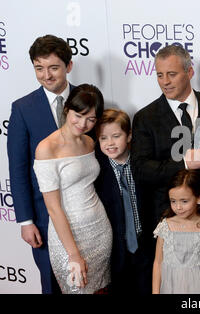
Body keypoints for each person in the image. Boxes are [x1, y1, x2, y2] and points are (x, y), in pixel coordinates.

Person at [130, 45, 200, 251]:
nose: (165, 82)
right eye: (159, 75)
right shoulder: (145, 117)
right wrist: (185, 162)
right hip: (171, 222)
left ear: (189, 72)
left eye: (171, 74)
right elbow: (141, 169)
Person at [7, 34, 74, 294]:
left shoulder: (88, 99)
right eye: (39, 68)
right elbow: (18, 168)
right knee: (52, 284)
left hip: (88, 212)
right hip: (44, 216)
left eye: (54, 68)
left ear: (68, 66)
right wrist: (25, 220)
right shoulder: (23, 108)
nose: (47, 75)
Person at [33, 84, 111, 294]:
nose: (83, 123)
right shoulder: (46, 148)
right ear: (67, 108)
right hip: (67, 236)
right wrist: (73, 254)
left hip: (99, 229)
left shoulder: (89, 142)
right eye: (78, 115)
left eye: (91, 119)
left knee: (100, 290)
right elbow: (53, 208)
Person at [94, 108, 152, 295]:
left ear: (129, 136)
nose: (110, 143)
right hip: (115, 250)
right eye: (103, 138)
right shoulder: (97, 170)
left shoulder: (142, 163)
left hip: (145, 245)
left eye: (116, 136)